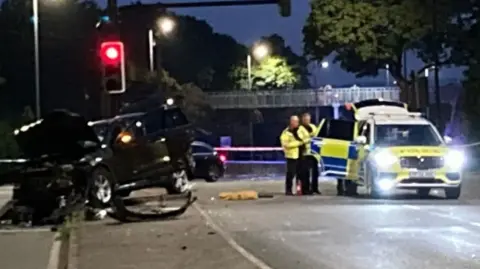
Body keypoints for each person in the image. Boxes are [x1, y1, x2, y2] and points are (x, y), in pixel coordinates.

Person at [280, 115, 310, 195]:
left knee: (302, 174)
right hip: (292, 156)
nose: (296, 123)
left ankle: (301, 190)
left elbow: (307, 137)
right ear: (291, 122)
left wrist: (304, 142)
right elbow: (286, 144)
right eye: (294, 121)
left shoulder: (301, 129)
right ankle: (288, 190)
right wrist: (299, 143)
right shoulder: (286, 132)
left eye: (297, 121)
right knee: (290, 174)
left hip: (302, 154)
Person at [300, 112, 321, 194]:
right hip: (305, 153)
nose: (307, 121)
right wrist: (309, 138)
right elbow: (301, 139)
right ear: (303, 120)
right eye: (305, 119)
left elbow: (317, 135)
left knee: (315, 172)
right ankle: (306, 189)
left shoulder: (313, 126)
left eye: (308, 119)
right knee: (305, 173)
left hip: (314, 153)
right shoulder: (300, 128)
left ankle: (315, 188)